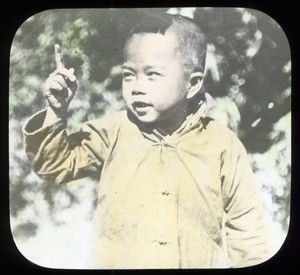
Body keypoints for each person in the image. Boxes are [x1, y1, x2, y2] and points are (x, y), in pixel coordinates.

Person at [23, 13, 271, 268]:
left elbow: (248, 233)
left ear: (193, 83)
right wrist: (56, 112)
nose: (136, 87)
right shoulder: (113, 131)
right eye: (129, 75)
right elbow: (53, 164)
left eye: (152, 74)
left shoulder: (222, 145)